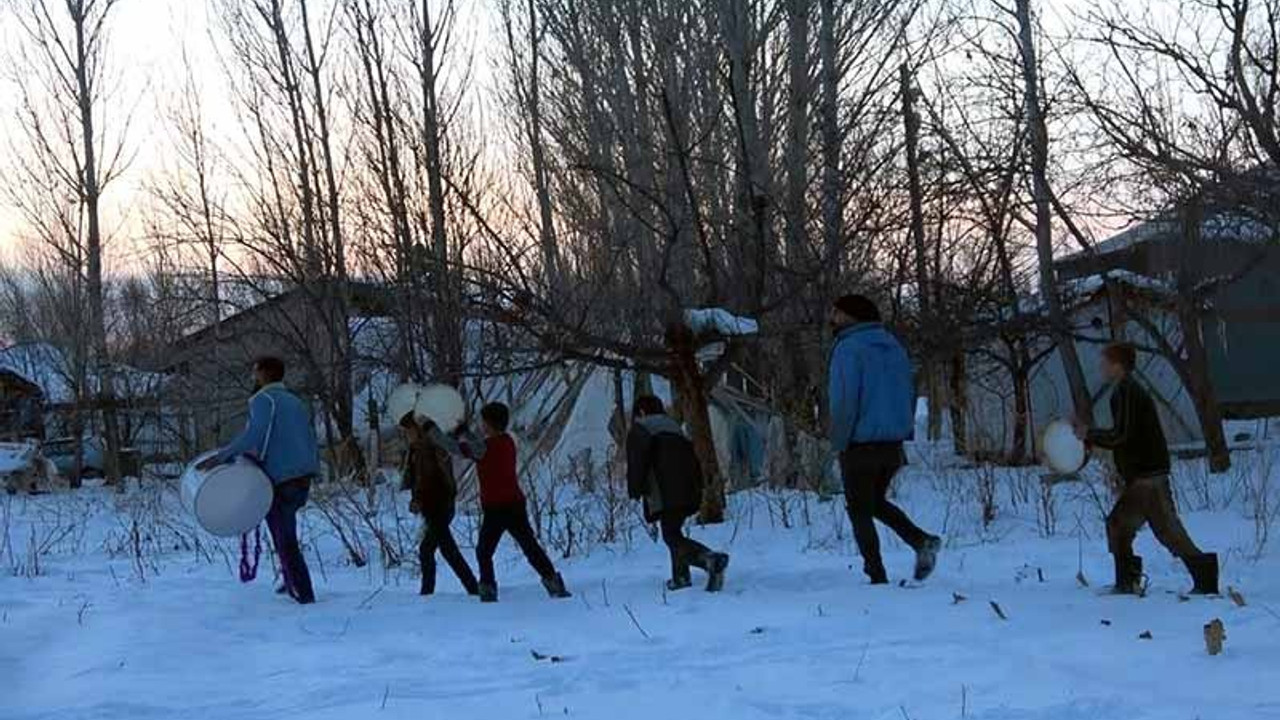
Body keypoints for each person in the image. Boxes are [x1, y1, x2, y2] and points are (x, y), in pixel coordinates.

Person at [1075, 342, 1218, 595]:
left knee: (1131, 526)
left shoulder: (1127, 392)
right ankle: (1196, 576)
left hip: (1148, 476)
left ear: (1117, 365)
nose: (1101, 367)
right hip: (1146, 474)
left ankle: (1132, 581)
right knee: (1153, 529)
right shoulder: (1126, 390)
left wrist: (1089, 434)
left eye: (1105, 362)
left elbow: (1122, 435)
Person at [828, 294, 941, 585]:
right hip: (892, 443)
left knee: (858, 508)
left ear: (852, 316)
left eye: (837, 314)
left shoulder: (847, 348)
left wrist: (838, 440)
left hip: (859, 442)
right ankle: (921, 541)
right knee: (874, 502)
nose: (833, 319)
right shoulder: (894, 346)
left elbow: (844, 399)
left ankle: (876, 574)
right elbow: (908, 391)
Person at [202, 357, 319, 605]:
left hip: (280, 477)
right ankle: (290, 580)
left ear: (265, 373)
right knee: (284, 533)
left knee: (284, 537)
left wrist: (223, 456)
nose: (253, 375)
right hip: (303, 475)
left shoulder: (264, 400)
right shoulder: (295, 401)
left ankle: (303, 592)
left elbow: (253, 435)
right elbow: (309, 437)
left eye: (255, 370)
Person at [454, 402, 569, 603]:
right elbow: (479, 445)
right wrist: (466, 432)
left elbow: (458, 447)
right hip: (515, 503)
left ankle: (488, 589)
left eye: (483, 422)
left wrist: (433, 430)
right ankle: (554, 583)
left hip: (495, 508)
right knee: (529, 546)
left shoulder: (486, 447)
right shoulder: (508, 441)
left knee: (484, 550)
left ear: (488, 424)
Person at [626, 395, 729, 592]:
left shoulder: (641, 429)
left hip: (665, 490)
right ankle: (680, 577)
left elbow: (637, 462)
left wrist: (635, 489)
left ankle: (709, 559)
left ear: (640, 412)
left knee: (671, 535)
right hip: (688, 488)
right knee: (674, 530)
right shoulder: (674, 428)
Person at [399, 411, 479, 597]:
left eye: (408, 431)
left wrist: (421, 499)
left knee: (429, 549)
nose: (407, 435)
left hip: (438, 505)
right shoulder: (416, 450)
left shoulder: (430, 449)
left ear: (417, 430)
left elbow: (436, 480)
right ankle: (471, 587)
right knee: (446, 550)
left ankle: (428, 592)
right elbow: (417, 480)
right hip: (433, 506)